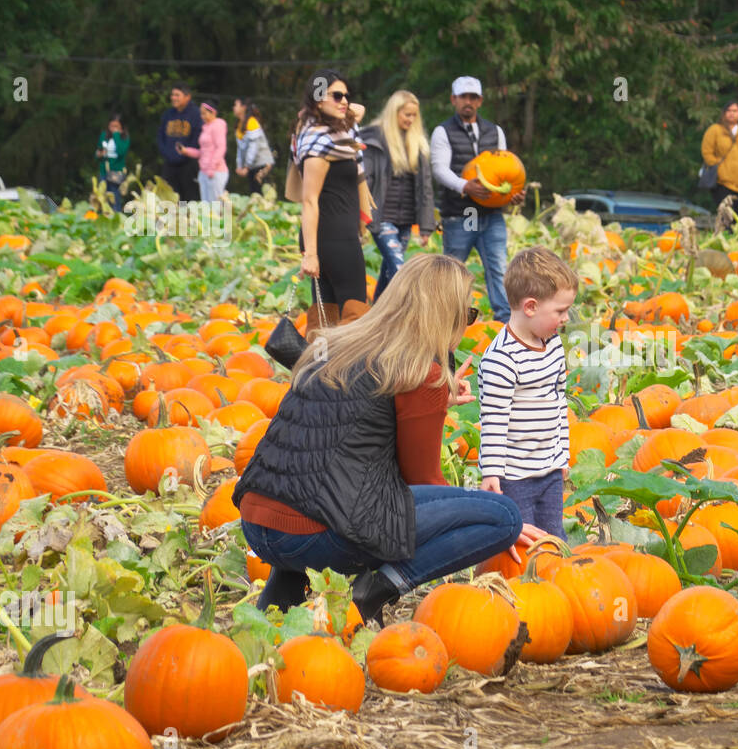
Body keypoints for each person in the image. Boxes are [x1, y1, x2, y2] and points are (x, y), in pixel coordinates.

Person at [233, 253, 544, 623]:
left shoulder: (335, 347)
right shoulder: (418, 372)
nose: (467, 324)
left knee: (317, 471)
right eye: (467, 314)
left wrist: (431, 404)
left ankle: (284, 588)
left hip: (257, 523)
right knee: (504, 516)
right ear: (444, 315)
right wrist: (483, 513)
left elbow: (346, 431)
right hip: (314, 536)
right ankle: (374, 591)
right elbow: (422, 481)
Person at [478, 248, 577, 539]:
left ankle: (552, 581)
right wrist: (492, 473)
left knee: (553, 538)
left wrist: (562, 456)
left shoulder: (553, 345)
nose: (566, 318)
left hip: (549, 469)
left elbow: (560, 402)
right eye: (560, 311)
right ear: (531, 307)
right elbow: (493, 420)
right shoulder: (501, 359)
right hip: (514, 475)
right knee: (521, 542)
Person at [430, 76, 522, 323]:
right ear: (454, 99)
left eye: (473, 97)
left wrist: (511, 193)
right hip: (459, 215)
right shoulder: (442, 131)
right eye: (463, 97)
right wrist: (465, 186)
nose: (467, 102)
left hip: (491, 215)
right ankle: (445, 322)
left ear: (480, 101)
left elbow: (506, 167)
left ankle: (506, 324)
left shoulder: (495, 131)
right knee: (452, 271)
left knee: (499, 270)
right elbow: (439, 169)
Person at [291, 69, 374, 329]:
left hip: (332, 235)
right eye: (337, 96)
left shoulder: (337, 135)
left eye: (346, 95)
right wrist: (311, 255)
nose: (345, 102)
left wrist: (325, 107)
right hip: (333, 238)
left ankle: (318, 368)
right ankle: (348, 369)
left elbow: (358, 110)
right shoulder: (318, 145)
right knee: (354, 315)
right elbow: (309, 201)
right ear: (317, 99)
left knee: (327, 313)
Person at [363, 90, 436, 300]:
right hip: (381, 216)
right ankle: (412, 314)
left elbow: (425, 187)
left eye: (414, 115)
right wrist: (361, 215)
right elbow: (365, 179)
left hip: (406, 219)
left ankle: (375, 313)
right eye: (406, 114)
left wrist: (426, 225)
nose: (410, 119)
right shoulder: (375, 138)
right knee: (399, 269)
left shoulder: (418, 143)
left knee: (388, 272)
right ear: (394, 113)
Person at [700, 101, 738, 218]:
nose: (732, 114)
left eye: (735, 111)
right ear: (723, 113)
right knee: (725, 218)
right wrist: (719, 169)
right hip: (722, 183)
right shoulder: (715, 130)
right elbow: (707, 152)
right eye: (729, 111)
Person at [178, 100, 229, 203]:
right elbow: (202, 152)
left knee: (216, 204)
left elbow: (221, 148)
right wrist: (186, 151)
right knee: (206, 204)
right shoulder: (206, 128)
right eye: (201, 114)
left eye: (204, 113)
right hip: (204, 172)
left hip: (215, 172)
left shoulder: (218, 126)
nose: (202, 116)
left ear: (213, 112)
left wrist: (212, 167)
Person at [157, 84, 202, 200]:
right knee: (169, 198)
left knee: (188, 198)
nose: (173, 97)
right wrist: (167, 154)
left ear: (187, 97)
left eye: (177, 95)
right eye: (172, 95)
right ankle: (171, 218)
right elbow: (160, 136)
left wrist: (185, 154)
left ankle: (186, 218)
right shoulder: (168, 114)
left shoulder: (196, 114)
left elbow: (197, 139)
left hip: (188, 164)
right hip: (169, 164)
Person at [233, 98, 275, 195]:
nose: (234, 108)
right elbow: (240, 149)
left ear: (243, 108)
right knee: (254, 195)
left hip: (262, 165)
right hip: (252, 166)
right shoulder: (239, 125)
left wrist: (246, 167)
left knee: (263, 197)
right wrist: (239, 166)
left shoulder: (252, 122)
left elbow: (253, 148)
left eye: (236, 105)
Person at [95, 114, 129, 212]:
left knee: (114, 200)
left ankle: (116, 219)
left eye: (116, 126)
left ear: (121, 127)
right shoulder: (104, 135)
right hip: (104, 171)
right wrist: (100, 154)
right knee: (102, 200)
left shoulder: (124, 138)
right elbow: (98, 152)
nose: (113, 129)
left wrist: (116, 135)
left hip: (116, 173)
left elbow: (121, 152)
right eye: (111, 126)